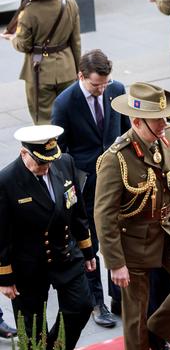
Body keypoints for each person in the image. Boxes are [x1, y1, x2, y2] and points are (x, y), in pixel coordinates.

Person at [94, 82, 170, 350]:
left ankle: (156, 331)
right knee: (135, 315)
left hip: (169, 227)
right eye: (156, 120)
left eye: (164, 117)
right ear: (136, 122)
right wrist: (115, 263)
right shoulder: (116, 158)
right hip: (134, 239)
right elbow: (104, 215)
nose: (164, 124)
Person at [51, 49, 131, 327]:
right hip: (85, 185)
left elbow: (126, 131)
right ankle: (97, 303)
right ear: (81, 76)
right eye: (96, 85)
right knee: (90, 244)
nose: (102, 89)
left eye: (105, 84)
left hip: (117, 179)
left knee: (118, 236)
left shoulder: (117, 90)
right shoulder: (65, 102)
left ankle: (119, 297)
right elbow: (58, 155)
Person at [0, 124, 95, 349]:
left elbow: (77, 209)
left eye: (50, 160)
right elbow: (1, 234)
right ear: (24, 153)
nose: (47, 166)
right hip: (29, 265)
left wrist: (87, 248)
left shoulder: (64, 163)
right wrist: (5, 276)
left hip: (65, 253)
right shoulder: (6, 181)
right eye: (41, 161)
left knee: (81, 307)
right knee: (33, 329)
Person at [1, 0, 81, 125]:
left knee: (44, 120)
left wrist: (12, 38)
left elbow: (24, 45)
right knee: (70, 116)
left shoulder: (29, 11)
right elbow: (76, 42)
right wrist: (78, 69)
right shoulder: (70, 3)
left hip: (40, 72)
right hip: (67, 69)